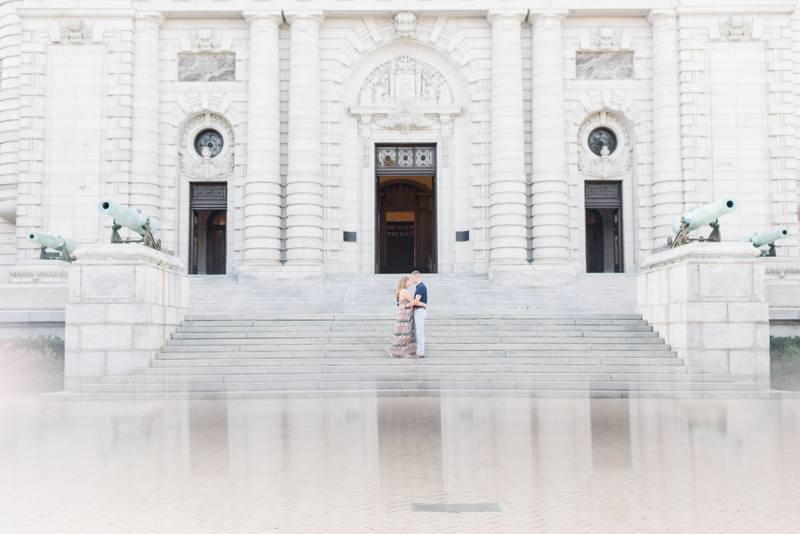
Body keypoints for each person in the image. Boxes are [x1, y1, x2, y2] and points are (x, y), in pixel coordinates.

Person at [387, 276, 424, 358]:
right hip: (405, 315)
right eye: (408, 280)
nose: (410, 281)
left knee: (404, 333)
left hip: (404, 314)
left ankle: (402, 353)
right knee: (405, 335)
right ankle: (391, 349)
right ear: (404, 282)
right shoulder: (404, 291)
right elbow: (413, 301)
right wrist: (424, 304)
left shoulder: (403, 291)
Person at [407, 271, 427, 358]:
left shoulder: (421, 287)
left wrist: (406, 305)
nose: (411, 280)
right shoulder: (418, 287)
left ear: (416, 277)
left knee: (419, 332)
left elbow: (416, 301)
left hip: (419, 311)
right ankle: (419, 351)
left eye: (412, 278)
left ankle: (420, 352)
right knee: (417, 332)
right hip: (418, 310)